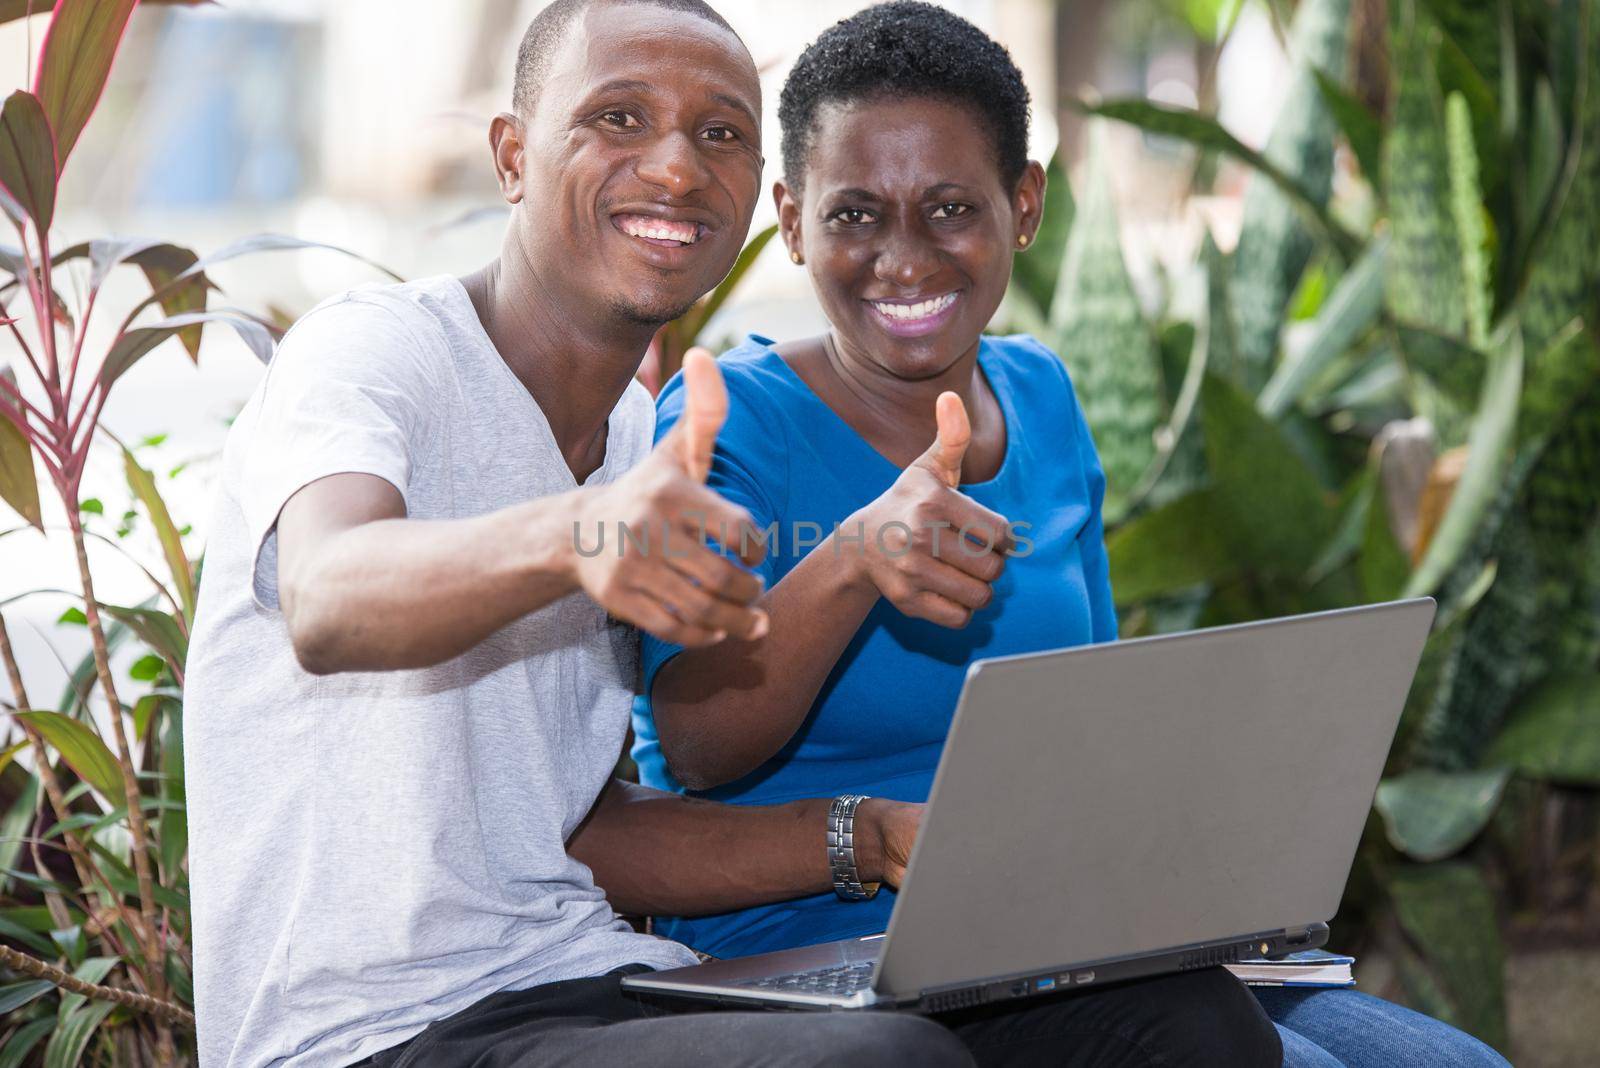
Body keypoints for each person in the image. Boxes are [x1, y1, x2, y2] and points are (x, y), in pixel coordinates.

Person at [184, 0, 1278, 1065]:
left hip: (585, 978)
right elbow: (328, 598)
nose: (673, 166)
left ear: (759, 197)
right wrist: (577, 534)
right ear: (513, 156)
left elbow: (581, 828)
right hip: (371, 1030)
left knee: (1188, 1023)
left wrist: (872, 837)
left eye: (719, 133)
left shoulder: (631, 437)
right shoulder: (374, 353)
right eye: (618, 117)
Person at [633, 5, 1511, 1068]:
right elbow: (692, 744)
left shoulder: (1041, 391)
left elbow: (1088, 720)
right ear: (792, 213)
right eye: (855, 214)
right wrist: (858, 554)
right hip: (811, 954)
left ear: (1026, 202)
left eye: (950, 208)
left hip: (1055, 937)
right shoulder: (734, 417)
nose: (900, 259)